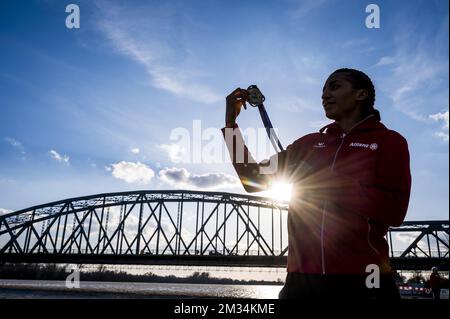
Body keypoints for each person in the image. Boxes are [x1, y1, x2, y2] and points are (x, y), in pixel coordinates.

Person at [221, 68, 411, 300]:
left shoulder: (389, 142)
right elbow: (253, 179)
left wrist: (332, 183)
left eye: (335, 86)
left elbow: (394, 210)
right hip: (301, 282)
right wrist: (230, 125)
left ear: (361, 94)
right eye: (323, 90)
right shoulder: (309, 144)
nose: (324, 95)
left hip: (366, 282)